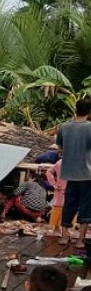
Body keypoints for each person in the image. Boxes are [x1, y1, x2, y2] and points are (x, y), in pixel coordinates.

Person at [58, 98, 91, 247]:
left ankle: (64, 236)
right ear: (89, 112)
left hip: (70, 173)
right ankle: (80, 240)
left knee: (69, 204)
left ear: (75, 109)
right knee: (86, 206)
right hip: (87, 174)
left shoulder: (64, 127)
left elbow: (60, 149)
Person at [46, 159, 67, 235]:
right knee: (60, 207)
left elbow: (49, 172)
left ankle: (59, 228)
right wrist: (53, 184)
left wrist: (53, 183)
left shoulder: (60, 161)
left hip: (64, 188)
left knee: (62, 207)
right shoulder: (60, 162)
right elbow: (49, 171)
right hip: (62, 189)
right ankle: (59, 228)